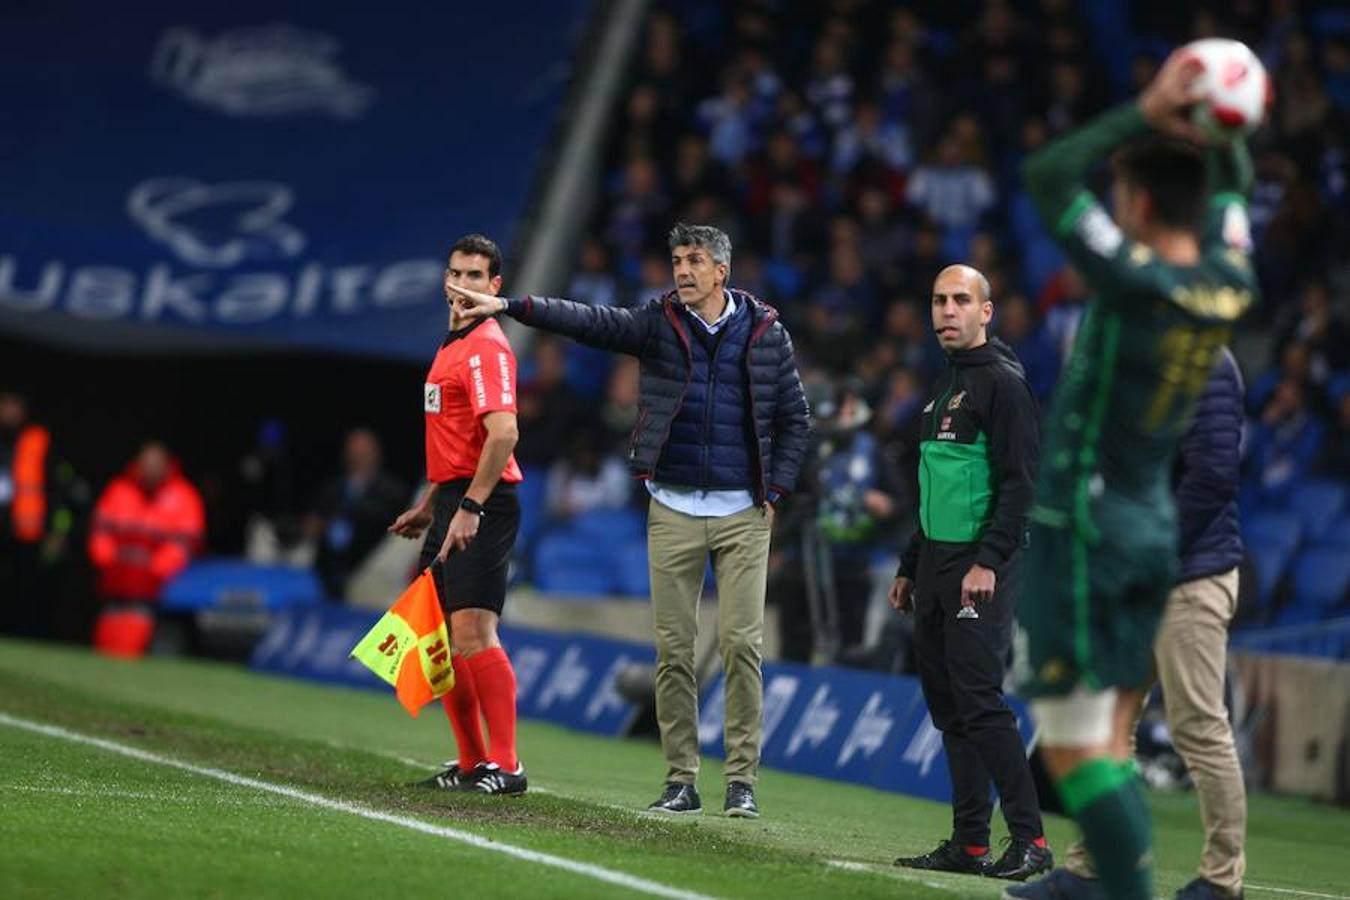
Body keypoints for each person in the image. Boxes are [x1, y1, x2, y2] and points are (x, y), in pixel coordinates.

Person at [448, 223, 810, 818]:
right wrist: (511, 306)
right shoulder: (657, 323)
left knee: (742, 646)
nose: (683, 270)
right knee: (673, 650)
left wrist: (775, 488)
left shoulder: (767, 333)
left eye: (695, 260)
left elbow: (796, 419)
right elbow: (587, 320)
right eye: (677, 260)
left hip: (744, 513)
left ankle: (742, 780)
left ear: (722, 271)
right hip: (671, 508)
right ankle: (681, 781)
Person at [1008, 52, 1258, 900]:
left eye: (1123, 198)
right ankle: (1099, 882)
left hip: (1092, 531)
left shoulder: (1131, 282)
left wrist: (1147, 108)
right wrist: (1228, 139)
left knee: (1078, 748)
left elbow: (1046, 172)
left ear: (1140, 205)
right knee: (1107, 738)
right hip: (1147, 529)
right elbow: (1231, 196)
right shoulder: (1230, 280)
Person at [1036, 349, 1249, 900]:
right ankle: (1090, 870)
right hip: (1136, 578)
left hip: (1190, 577)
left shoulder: (1208, 363)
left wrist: (1150, 552)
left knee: (1199, 728)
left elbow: (1214, 476)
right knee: (1105, 726)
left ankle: (1224, 883)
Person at [886, 265, 1050, 881]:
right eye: (938, 300)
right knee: (950, 707)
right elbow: (937, 492)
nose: (947, 310)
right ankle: (971, 842)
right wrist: (910, 564)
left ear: (987, 312)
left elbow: (1021, 486)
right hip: (935, 564)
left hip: (981, 565)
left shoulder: (1004, 386)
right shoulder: (943, 386)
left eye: (960, 300)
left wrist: (987, 560)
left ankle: (1031, 839)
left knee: (980, 701)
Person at [388, 234, 527, 796]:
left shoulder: (487, 346)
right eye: (455, 274)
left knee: (474, 630)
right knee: (443, 638)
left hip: (482, 504)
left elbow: (504, 432)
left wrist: (470, 505)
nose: (461, 286)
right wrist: (431, 504)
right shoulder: (451, 345)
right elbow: (457, 438)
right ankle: (471, 764)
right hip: (451, 499)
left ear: (495, 288)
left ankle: (507, 765)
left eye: (474, 277)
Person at [88, 442, 205, 657]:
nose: (150, 467)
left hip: (157, 587)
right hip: (116, 579)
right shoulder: (119, 490)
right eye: (146, 462)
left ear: (166, 465)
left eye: (156, 463)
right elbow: (100, 532)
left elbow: (186, 542)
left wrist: (154, 569)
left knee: (139, 636)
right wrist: (109, 560)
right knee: (108, 633)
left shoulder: (184, 496)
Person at [0, 391, 78, 639]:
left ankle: (24, 637)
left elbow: (60, 492)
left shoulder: (39, 440)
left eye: (15, 406)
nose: (10, 412)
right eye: (6, 405)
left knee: (26, 590)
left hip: (28, 532)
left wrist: (58, 531)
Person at [305, 428, 409, 601]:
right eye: (354, 452)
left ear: (377, 454)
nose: (358, 458)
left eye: (364, 453)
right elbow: (313, 522)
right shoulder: (331, 489)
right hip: (328, 572)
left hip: (370, 570)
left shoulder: (393, 493)